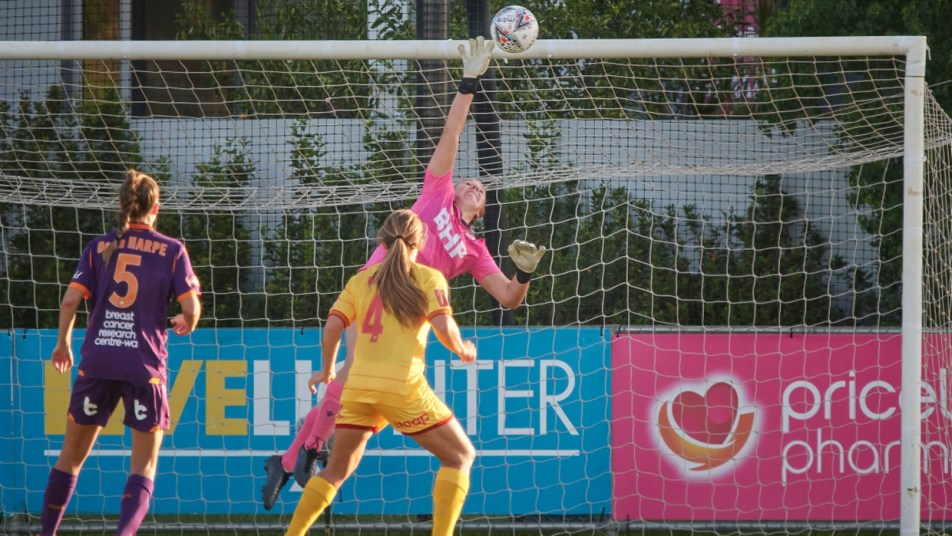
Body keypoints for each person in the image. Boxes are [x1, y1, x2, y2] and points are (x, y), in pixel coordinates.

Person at [261, 36, 548, 509]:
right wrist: (469, 82)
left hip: (406, 315)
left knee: (355, 393)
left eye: (482, 189)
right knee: (350, 374)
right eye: (469, 181)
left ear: (482, 212)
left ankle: (293, 458)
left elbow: (508, 298)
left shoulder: (474, 250)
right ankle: (303, 453)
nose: (474, 184)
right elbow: (453, 132)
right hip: (376, 285)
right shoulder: (436, 192)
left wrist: (524, 273)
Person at [284, 208, 478, 536]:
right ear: (421, 243)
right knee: (460, 456)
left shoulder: (361, 281)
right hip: (402, 388)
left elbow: (332, 328)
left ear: (381, 241)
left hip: (358, 389)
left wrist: (328, 370)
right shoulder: (428, 277)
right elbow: (444, 326)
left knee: (336, 470)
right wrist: (462, 348)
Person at [40, 170, 202, 536]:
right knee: (143, 467)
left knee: (70, 459)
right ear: (156, 208)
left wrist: (63, 343)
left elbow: (69, 300)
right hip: (143, 364)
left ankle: (45, 533)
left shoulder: (98, 247)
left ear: (121, 206)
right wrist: (184, 321)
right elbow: (191, 310)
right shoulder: (172, 250)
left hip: (98, 361)